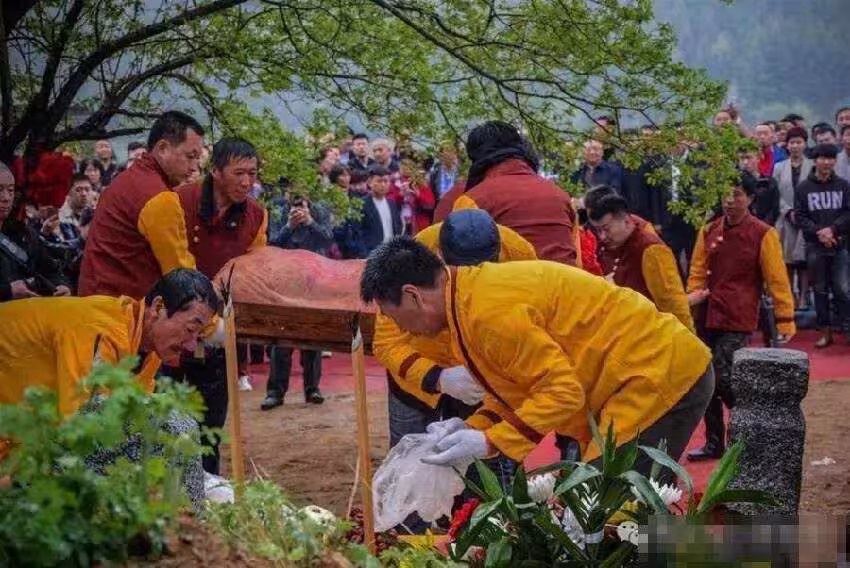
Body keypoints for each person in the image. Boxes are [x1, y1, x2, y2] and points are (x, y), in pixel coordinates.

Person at [361, 237, 714, 481]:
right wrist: (474, 427)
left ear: (413, 296)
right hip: (636, 377)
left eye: (393, 316)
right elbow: (519, 388)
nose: (401, 329)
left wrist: (490, 442)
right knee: (609, 512)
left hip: (658, 373)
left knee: (609, 510)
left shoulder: (486, 313)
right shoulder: (467, 302)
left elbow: (562, 393)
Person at [0, 268, 219, 418]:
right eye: (190, 329)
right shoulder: (101, 331)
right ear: (158, 307)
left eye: (198, 335)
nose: (192, 346)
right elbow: (79, 426)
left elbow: (130, 415)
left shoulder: (150, 348)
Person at [172, 137, 267, 474]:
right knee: (162, 417)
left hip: (218, 333)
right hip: (171, 326)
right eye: (238, 173)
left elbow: (253, 269)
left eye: (252, 174)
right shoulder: (178, 202)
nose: (246, 182)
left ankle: (206, 487)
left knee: (210, 424)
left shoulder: (257, 215)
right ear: (215, 170)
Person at [686, 174, 795, 461]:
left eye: (736, 195)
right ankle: (714, 442)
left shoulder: (763, 233)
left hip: (738, 315)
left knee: (724, 377)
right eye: (725, 194)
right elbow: (697, 271)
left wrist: (785, 318)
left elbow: (777, 279)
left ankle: (749, 429)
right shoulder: (708, 230)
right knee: (704, 378)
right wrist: (690, 303)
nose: (730, 201)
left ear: (750, 198)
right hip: (706, 313)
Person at [78, 110, 204, 298]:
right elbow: (180, 273)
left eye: (198, 158)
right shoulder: (158, 197)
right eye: (190, 156)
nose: (194, 167)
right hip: (118, 308)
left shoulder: (127, 178)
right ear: (163, 148)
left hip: (93, 299)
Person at [450, 121, 579, 266]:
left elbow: (462, 267)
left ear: (474, 159)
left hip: (508, 280)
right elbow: (578, 262)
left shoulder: (472, 200)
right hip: (567, 279)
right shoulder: (561, 196)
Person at [261, 190, 334, 410]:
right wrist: (289, 226)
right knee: (281, 339)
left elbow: (328, 239)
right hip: (284, 280)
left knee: (313, 337)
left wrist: (311, 222)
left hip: (313, 280)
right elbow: (271, 243)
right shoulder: (277, 209)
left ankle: (313, 388)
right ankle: (275, 392)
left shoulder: (320, 209)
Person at [589, 193, 694, 331]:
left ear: (626, 221)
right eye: (598, 230)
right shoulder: (604, 247)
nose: (602, 236)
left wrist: (686, 337)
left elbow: (672, 302)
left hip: (650, 333)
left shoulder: (650, 250)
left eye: (606, 229)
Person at [793, 143, 850, 348]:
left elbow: (848, 212)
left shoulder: (843, 185)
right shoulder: (803, 188)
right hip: (815, 246)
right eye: (822, 158)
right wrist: (820, 232)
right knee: (820, 290)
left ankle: (847, 328)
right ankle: (825, 332)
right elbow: (800, 216)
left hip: (839, 244)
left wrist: (833, 230)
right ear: (815, 160)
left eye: (831, 158)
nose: (827, 162)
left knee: (842, 289)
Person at [0, 162, 71, 301]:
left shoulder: (24, 233)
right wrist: (7, 291)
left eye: (10, 190)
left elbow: (51, 270)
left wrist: (62, 285)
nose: (6, 198)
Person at [773, 127, 813, 309]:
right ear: (787, 145)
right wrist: (788, 211)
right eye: (792, 143)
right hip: (786, 218)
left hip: (808, 218)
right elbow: (775, 193)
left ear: (805, 144)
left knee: (803, 261)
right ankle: (790, 296)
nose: (795, 146)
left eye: (799, 142)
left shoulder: (812, 166)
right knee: (787, 260)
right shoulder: (779, 167)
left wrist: (803, 213)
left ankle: (804, 296)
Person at [360, 165, 402, 255]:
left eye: (386, 181)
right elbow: (359, 232)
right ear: (370, 183)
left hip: (392, 252)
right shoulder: (362, 204)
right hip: (372, 253)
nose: (383, 185)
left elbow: (398, 227)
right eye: (379, 181)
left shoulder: (392, 204)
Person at [739, 148, 780, 225]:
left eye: (749, 157)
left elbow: (775, 209)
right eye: (742, 158)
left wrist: (762, 225)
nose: (745, 162)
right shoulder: (734, 183)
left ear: (758, 158)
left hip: (764, 226)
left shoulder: (770, 182)